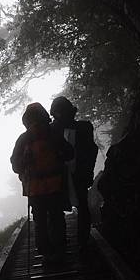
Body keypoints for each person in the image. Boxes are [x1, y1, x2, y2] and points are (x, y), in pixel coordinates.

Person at [10, 102, 74, 263]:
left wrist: (25, 163)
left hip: (35, 189)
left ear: (26, 120)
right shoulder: (53, 133)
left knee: (40, 222)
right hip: (55, 186)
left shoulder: (23, 139)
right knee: (56, 218)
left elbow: (16, 166)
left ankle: (46, 253)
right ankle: (60, 250)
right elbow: (69, 154)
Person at [50, 96, 98, 250]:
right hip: (68, 174)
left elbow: (90, 151)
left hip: (70, 175)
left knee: (61, 208)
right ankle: (80, 241)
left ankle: (66, 242)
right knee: (75, 206)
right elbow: (91, 151)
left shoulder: (52, 130)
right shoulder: (83, 127)